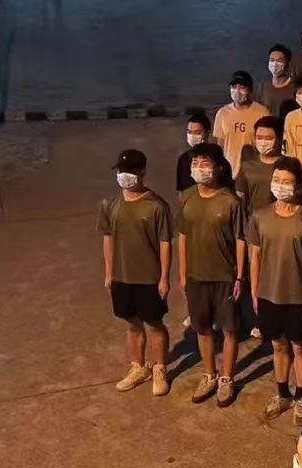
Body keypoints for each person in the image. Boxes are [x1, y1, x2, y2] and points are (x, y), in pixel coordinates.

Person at [250, 157, 302, 425]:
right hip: (268, 295)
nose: (281, 186)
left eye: (287, 182)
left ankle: (300, 398)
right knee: (278, 345)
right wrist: (254, 292)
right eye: (277, 180)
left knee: (299, 347)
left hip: (297, 297)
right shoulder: (260, 216)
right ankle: (282, 394)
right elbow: (255, 257)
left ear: (298, 187)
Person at [176, 143, 246, 407]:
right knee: (202, 328)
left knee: (229, 329)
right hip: (196, 276)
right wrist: (182, 273)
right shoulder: (186, 197)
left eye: (205, 163)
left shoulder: (231, 201)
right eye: (195, 164)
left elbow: (240, 239)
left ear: (217, 168)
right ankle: (209, 374)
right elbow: (182, 236)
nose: (199, 168)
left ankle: (227, 377)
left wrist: (239, 277)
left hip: (225, 277)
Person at [99, 150, 173, 397]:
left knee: (155, 324)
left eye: (129, 171)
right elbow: (108, 239)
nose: (124, 176)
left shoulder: (157, 206)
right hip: (122, 277)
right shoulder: (110, 204)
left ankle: (159, 369)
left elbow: (165, 243)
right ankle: (138, 367)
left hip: (149, 278)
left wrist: (164, 278)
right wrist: (109, 273)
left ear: (142, 172)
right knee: (132, 323)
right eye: (121, 171)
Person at [213, 71, 271, 179]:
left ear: (250, 90)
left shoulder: (262, 112)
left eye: (242, 87)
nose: (237, 91)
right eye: (234, 87)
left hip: (253, 173)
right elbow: (220, 145)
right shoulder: (222, 113)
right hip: (229, 173)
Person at [235, 115, 282, 216]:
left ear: (278, 139)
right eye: (259, 138)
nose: (263, 143)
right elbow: (240, 197)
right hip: (252, 220)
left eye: (268, 138)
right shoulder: (247, 165)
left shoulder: (286, 165)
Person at [176, 113, 229, 193]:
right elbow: (181, 190)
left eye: (197, 133)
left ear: (207, 133)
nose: (192, 136)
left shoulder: (216, 157)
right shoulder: (183, 159)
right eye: (189, 132)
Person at [259, 44, 297, 118]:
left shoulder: (295, 87)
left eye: (279, 60)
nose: (275, 64)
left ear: (288, 64)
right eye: (272, 60)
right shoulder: (263, 86)